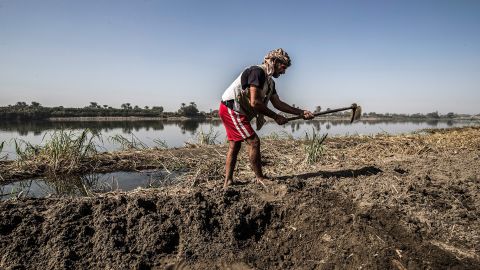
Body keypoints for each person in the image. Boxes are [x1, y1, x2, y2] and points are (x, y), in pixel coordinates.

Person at [219, 48, 314, 188]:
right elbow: (255, 102)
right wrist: (276, 117)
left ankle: (228, 181)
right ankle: (260, 177)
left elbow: (278, 103)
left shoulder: (270, 83)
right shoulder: (257, 72)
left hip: (237, 110)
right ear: (274, 62)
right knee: (254, 142)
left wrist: (301, 112)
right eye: (283, 67)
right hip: (231, 108)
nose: (284, 71)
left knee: (235, 144)